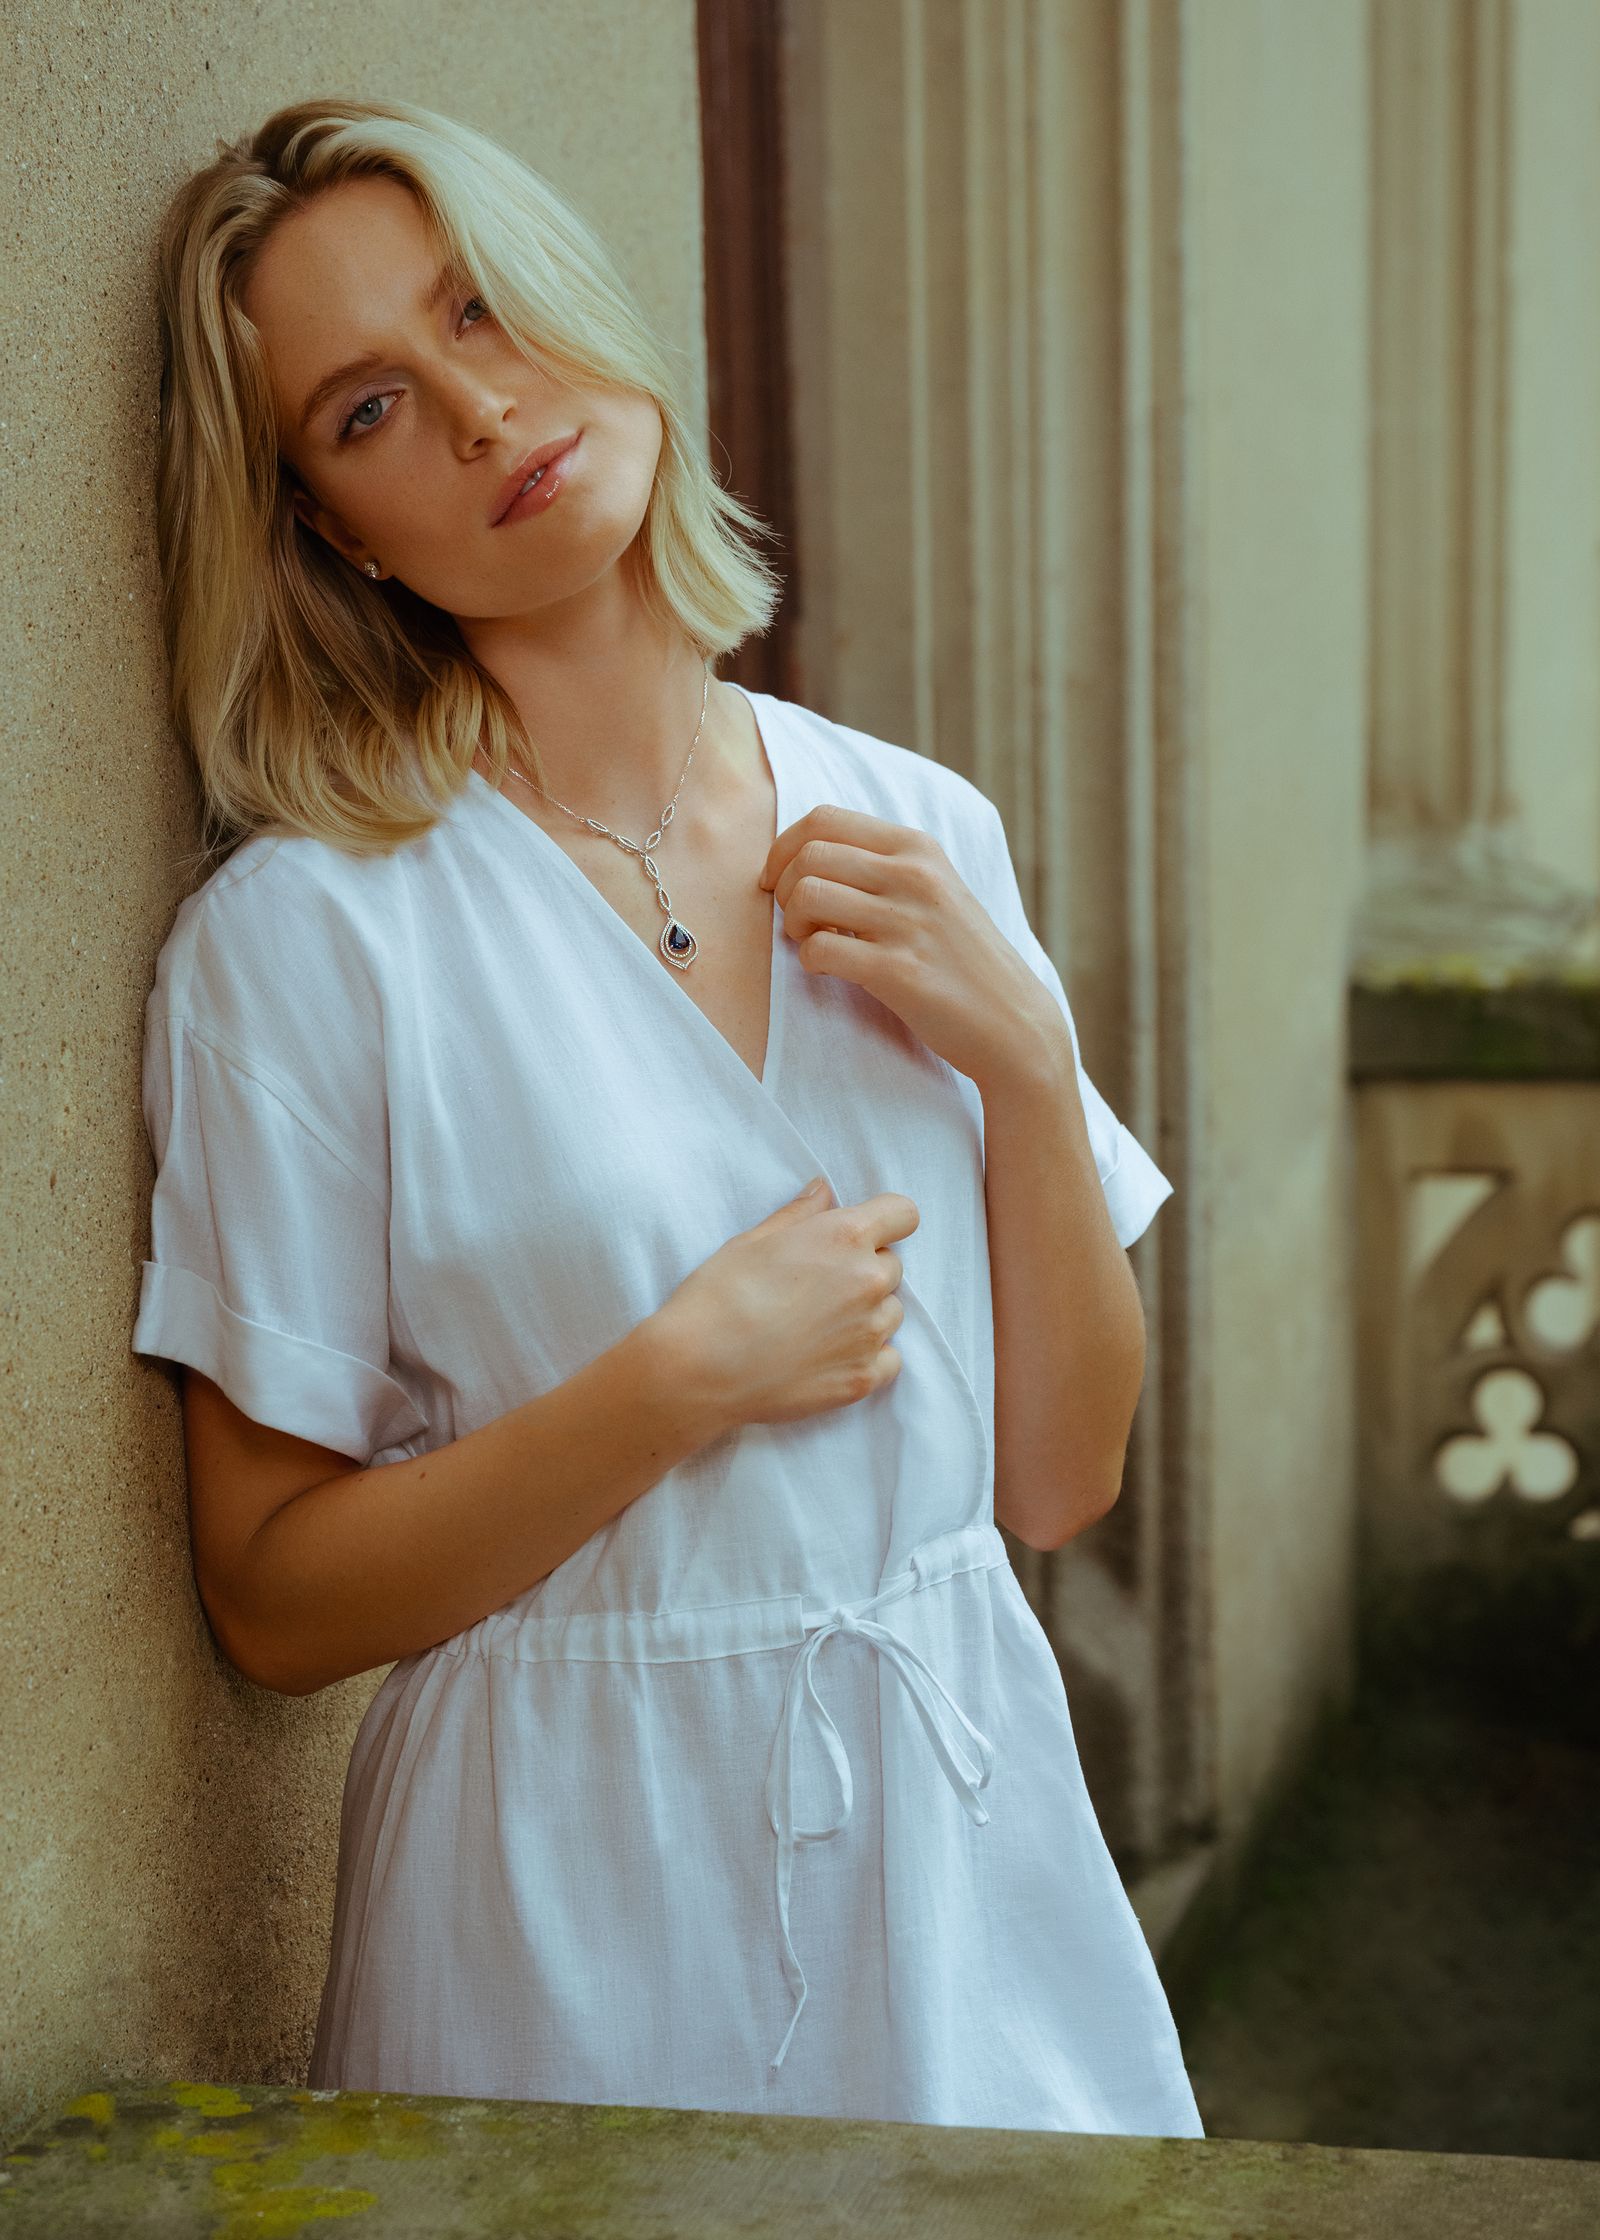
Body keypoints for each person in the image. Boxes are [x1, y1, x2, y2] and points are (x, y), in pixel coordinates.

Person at [132, 95, 1204, 2136]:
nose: (474, 407)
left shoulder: (914, 822)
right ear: (331, 529)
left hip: (963, 1871)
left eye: (480, 309)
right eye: (366, 409)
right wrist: (674, 1379)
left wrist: (1029, 1079)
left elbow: (1055, 1484)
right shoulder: (306, 944)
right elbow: (270, 1597)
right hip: (559, 1911)